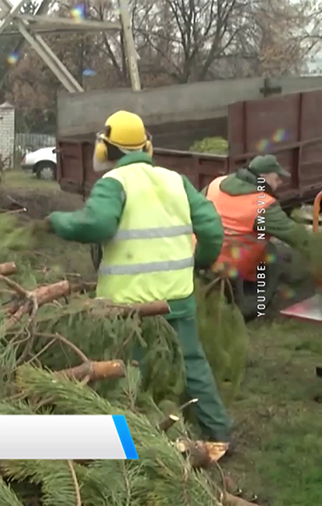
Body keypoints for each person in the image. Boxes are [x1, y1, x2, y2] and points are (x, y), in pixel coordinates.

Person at [40, 110, 233, 446]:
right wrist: (196, 261)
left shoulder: (114, 184)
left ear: (106, 149)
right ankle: (219, 435)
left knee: (127, 374)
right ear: (146, 146)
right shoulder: (176, 180)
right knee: (193, 365)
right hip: (176, 298)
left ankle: (131, 442)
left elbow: (96, 225)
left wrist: (56, 220)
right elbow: (213, 230)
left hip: (128, 307)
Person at [201, 155, 313, 321]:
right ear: (264, 177)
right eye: (277, 178)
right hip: (228, 269)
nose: (279, 183)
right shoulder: (263, 205)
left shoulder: (217, 183)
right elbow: (297, 237)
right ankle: (250, 301)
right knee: (270, 253)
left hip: (199, 253)